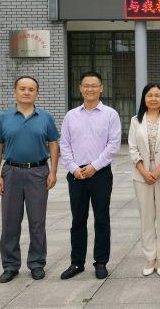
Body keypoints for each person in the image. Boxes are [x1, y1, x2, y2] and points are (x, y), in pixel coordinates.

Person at [0, 76, 60, 283]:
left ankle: (37, 263)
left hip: (38, 172)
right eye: (22, 89)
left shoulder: (45, 117)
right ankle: (10, 265)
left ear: (36, 93)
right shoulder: (3, 118)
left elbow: (53, 144)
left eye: (31, 89)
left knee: (37, 221)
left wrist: (53, 172)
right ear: (15, 92)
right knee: (10, 222)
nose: (26, 92)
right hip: (11, 172)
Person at [59, 71, 121, 280]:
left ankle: (101, 262)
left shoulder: (110, 114)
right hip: (76, 174)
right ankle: (77, 263)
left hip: (100, 173)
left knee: (101, 219)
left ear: (101, 88)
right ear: (80, 88)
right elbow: (64, 144)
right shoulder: (71, 116)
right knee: (78, 219)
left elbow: (113, 145)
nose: (90, 89)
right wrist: (73, 168)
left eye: (94, 85)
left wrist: (94, 166)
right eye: (86, 85)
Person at [128, 83, 160, 277]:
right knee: (146, 217)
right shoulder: (135, 121)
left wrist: (157, 171)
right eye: (150, 95)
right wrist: (144, 171)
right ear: (144, 98)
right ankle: (150, 257)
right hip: (141, 175)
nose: (153, 98)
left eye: (157, 95)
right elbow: (132, 148)